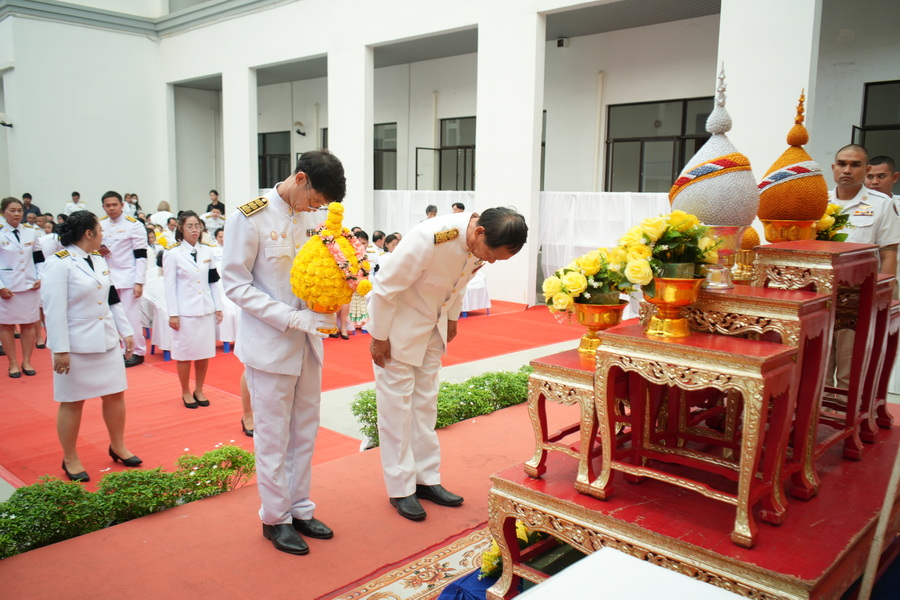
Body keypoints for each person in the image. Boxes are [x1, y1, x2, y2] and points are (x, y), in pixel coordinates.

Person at [369, 206, 527, 521]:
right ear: (480, 232)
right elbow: (385, 287)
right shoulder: (431, 238)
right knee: (397, 410)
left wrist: (452, 318)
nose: (491, 260)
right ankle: (401, 488)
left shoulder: (476, 241)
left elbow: (460, 282)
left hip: (432, 328)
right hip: (397, 331)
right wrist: (379, 336)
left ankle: (426, 479)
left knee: (425, 406)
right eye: (492, 255)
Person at [223, 149, 345, 556]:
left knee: (305, 432)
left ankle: (300, 507)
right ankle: (275, 518)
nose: (316, 209)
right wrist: (291, 319)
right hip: (271, 344)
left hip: (309, 343)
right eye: (314, 199)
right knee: (273, 437)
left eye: (322, 206)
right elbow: (236, 285)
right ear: (300, 178)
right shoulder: (250, 215)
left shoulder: (314, 216)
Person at [41, 210, 141, 482]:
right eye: (100, 229)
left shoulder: (97, 259)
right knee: (72, 402)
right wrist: (60, 349)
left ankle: (118, 445)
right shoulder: (59, 264)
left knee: (115, 395)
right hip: (76, 346)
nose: (103, 233)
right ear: (88, 233)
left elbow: (111, 298)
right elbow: (54, 310)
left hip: (105, 339)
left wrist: (126, 331)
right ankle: (70, 457)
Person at [828, 144, 900, 388]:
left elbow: (889, 252)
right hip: (821, 294)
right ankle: (818, 416)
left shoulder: (881, 204)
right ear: (833, 168)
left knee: (850, 363)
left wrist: (884, 295)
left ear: (866, 169)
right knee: (820, 362)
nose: (847, 170)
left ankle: (843, 418)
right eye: (842, 164)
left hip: (859, 294)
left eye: (855, 165)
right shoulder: (819, 202)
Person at [164, 211, 223, 409]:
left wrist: (218, 307)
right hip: (185, 312)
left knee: (203, 352)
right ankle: (185, 391)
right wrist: (173, 313)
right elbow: (170, 286)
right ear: (181, 228)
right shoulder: (172, 254)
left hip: (205, 309)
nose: (194, 230)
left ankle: (199, 388)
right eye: (189, 226)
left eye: (197, 226)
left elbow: (213, 281)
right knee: (184, 353)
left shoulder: (207, 251)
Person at [99, 191, 149, 367]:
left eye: (114, 205)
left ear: (122, 205)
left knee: (130, 316)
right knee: (110, 316)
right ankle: (117, 350)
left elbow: (141, 255)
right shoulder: (100, 225)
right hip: (106, 277)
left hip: (128, 277)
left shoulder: (133, 225)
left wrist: (139, 281)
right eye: (108, 205)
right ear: (103, 207)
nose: (111, 208)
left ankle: (137, 351)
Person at [0, 197, 45, 378]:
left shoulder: (31, 231)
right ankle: (12, 363)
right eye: (12, 210)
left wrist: (41, 277)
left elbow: (39, 258)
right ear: (3, 212)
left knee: (28, 325)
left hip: (29, 286)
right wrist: (0, 286)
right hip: (7, 288)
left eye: (19, 210)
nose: (17, 213)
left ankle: (26, 361)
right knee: (6, 326)